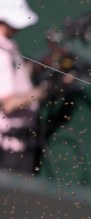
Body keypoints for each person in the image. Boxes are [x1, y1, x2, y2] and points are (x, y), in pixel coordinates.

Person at [0, 0, 48, 174]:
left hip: (20, 141)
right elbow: (9, 103)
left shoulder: (7, 45)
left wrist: (37, 67)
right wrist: (41, 92)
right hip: (12, 147)